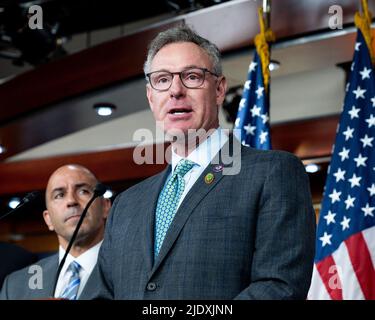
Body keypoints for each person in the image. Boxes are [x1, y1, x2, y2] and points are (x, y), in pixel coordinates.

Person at [86, 25, 316, 300]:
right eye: (161, 80)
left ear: (219, 90)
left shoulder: (273, 173)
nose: (175, 90)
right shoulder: (126, 205)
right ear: (150, 96)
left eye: (192, 76)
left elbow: (280, 287)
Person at [0, 164, 111, 299]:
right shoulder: (15, 286)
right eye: (59, 195)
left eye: (83, 191)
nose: (71, 201)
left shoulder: (136, 270)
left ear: (105, 206)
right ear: (48, 219)